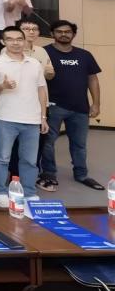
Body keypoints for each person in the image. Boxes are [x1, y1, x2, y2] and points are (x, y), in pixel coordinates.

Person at [0, 26, 48, 207]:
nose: (15, 43)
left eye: (19, 39)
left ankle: (29, 192)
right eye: (10, 39)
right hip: (6, 118)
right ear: (3, 42)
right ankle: (0, 191)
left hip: (33, 119)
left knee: (30, 160)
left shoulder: (34, 63)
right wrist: (1, 86)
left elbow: (41, 89)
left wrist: (43, 117)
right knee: (2, 158)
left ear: (24, 41)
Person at [39, 20, 104, 192]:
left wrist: (96, 104)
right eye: (59, 31)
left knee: (79, 144)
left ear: (73, 34)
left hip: (80, 108)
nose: (63, 34)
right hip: (53, 107)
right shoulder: (44, 53)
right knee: (48, 143)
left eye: (67, 32)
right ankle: (49, 174)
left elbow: (93, 79)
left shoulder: (84, 55)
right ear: (52, 34)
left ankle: (81, 175)